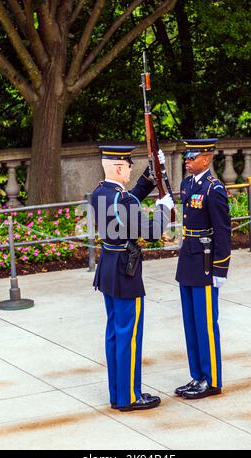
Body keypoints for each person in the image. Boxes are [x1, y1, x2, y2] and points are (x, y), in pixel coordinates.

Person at [91, 145, 174, 411]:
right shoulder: (122, 200)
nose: (130, 169)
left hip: (108, 266)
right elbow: (151, 232)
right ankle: (130, 397)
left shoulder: (101, 193)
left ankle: (118, 394)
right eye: (128, 166)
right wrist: (163, 209)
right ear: (118, 168)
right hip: (126, 271)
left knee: (115, 332)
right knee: (129, 334)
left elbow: (131, 198)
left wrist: (153, 173)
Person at [165, 139, 231, 399]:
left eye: (192, 157)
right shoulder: (187, 183)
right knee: (191, 323)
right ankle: (197, 376)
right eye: (187, 156)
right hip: (188, 261)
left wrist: (220, 269)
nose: (187, 160)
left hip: (205, 263)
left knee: (205, 324)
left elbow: (223, 232)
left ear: (207, 159)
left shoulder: (214, 189)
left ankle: (212, 378)